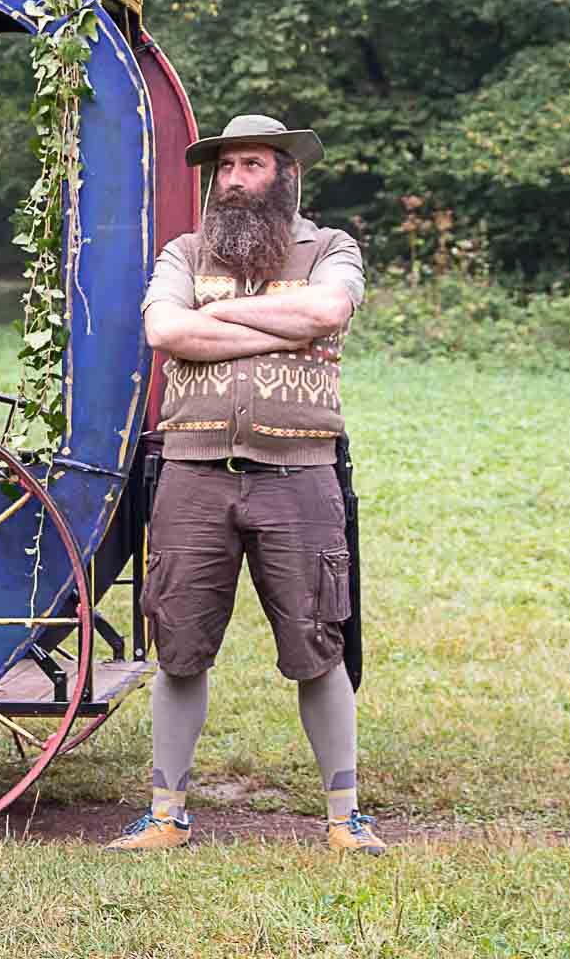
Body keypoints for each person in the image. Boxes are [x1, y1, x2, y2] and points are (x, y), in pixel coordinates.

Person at [107, 114, 386, 855]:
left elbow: (328, 311)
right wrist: (280, 327)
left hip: (301, 474)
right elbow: (167, 331)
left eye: (252, 165)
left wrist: (220, 315)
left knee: (318, 641)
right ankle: (167, 815)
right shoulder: (183, 252)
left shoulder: (331, 249)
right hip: (193, 474)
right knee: (179, 646)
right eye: (225, 167)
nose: (233, 180)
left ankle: (343, 818)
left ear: (286, 176)